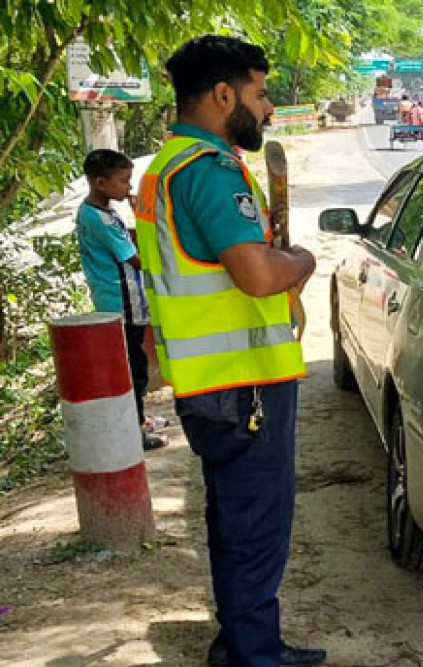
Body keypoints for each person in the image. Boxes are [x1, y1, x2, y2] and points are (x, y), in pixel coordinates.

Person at [134, 35, 325, 667]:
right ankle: (253, 655)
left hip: (212, 383)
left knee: (235, 517)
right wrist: (302, 260)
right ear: (222, 95)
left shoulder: (167, 166)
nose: (268, 109)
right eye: (261, 93)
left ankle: (245, 643)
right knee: (256, 526)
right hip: (242, 385)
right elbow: (256, 274)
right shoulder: (210, 173)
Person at [76, 149, 166, 452]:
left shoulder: (99, 211)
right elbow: (134, 258)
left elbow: (127, 239)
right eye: (124, 182)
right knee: (134, 367)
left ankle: (138, 418)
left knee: (135, 363)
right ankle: (135, 429)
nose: (128, 188)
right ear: (101, 183)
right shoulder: (98, 218)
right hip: (121, 301)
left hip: (120, 298)